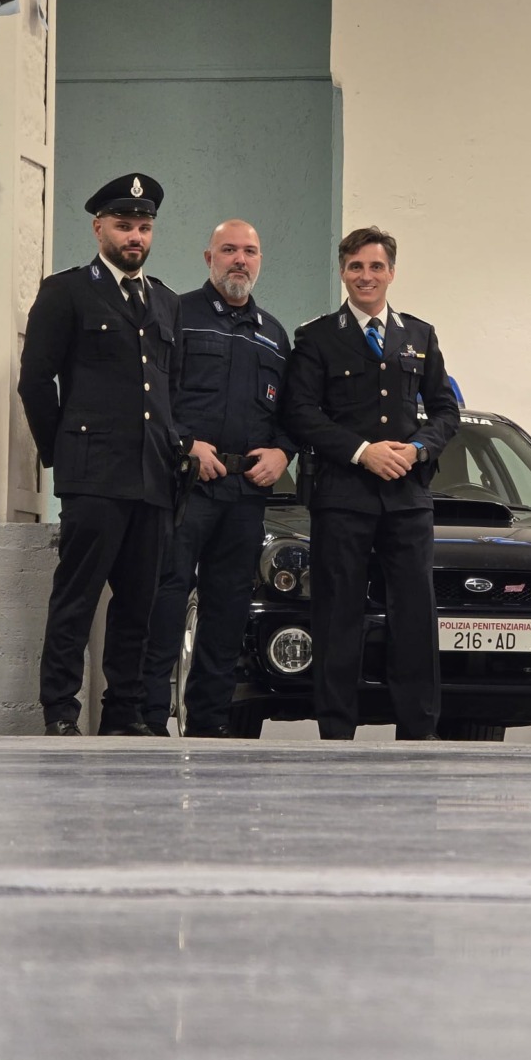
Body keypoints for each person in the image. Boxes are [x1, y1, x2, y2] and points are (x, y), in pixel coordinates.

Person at [17, 173, 181, 736]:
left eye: (144, 227)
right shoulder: (67, 291)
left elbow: (172, 389)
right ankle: (61, 712)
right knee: (77, 599)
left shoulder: (165, 300)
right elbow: (35, 381)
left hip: (153, 476)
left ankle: (122, 714)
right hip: (93, 477)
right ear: (99, 228)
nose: (134, 236)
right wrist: (63, 451)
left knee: (137, 607)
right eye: (123, 225)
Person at [284, 225, 459, 740]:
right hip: (343, 499)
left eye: (376, 266)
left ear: (392, 273)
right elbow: (300, 412)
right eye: (356, 266)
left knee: (415, 618)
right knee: (338, 617)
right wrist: (363, 451)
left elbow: (446, 410)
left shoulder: (419, 336)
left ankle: (418, 733)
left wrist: (419, 448)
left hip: (407, 499)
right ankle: (337, 733)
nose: (366, 276)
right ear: (342, 272)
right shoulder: (317, 337)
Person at [142, 220, 293, 737]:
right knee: (165, 599)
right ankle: (147, 719)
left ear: (260, 260)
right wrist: (185, 443)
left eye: (250, 251)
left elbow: (291, 414)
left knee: (228, 610)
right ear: (209, 257)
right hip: (185, 485)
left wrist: (284, 452)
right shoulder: (176, 313)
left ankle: (209, 723)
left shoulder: (274, 334)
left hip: (245, 494)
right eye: (229, 250)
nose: (240, 260)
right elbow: (152, 392)